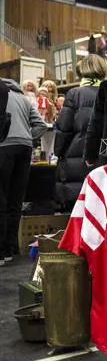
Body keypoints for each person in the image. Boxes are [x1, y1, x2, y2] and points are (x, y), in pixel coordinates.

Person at [0, 78, 47, 266]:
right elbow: (41, 125)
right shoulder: (22, 99)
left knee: (1, 199)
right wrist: (27, 137)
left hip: (3, 148)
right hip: (24, 148)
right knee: (16, 200)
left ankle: (1, 252)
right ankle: (11, 249)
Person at [54, 54, 107, 210]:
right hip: (104, 159)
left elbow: (64, 128)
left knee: (75, 213)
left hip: (75, 159)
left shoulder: (74, 94)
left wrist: (58, 152)